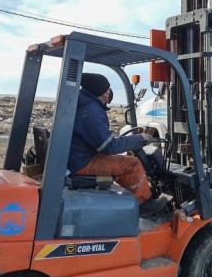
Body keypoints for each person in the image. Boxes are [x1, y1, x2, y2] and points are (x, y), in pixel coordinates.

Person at [68, 73, 167, 216]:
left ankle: (134, 197)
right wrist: (140, 138)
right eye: (106, 89)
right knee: (132, 164)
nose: (109, 93)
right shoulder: (91, 111)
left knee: (121, 161)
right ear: (96, 89)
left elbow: (101, 140)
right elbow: (108, 147)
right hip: (81, 162)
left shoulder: (83, 103)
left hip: (77, 158)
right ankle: (145, 205)